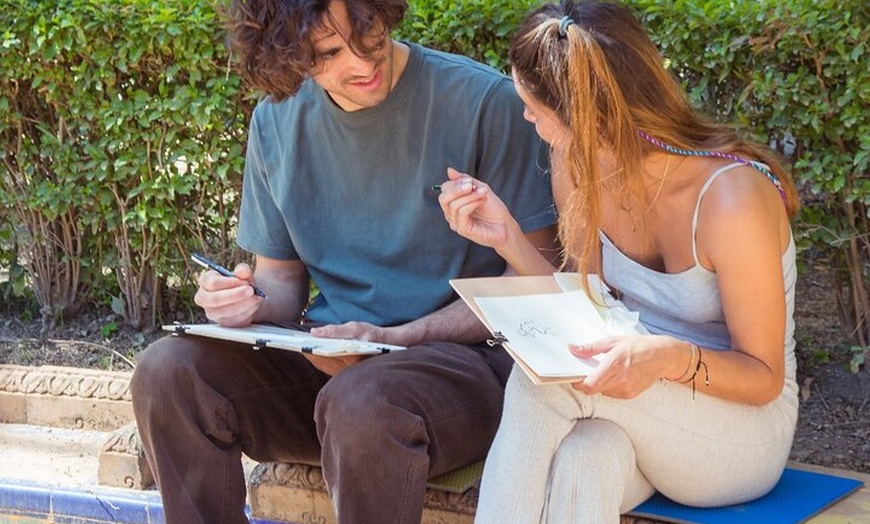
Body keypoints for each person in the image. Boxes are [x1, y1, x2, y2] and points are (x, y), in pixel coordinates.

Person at [130, 1, 559, 523]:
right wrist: (246, 303)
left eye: (367, 31)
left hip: (463, 368)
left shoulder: (483, 101)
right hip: (330, 365)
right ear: (284, 54)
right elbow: (281, 281)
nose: (361, 62)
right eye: (330, 52)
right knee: (167, 371)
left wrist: (396, 340)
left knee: (362, 401)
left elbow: (534, 284)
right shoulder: (275, 121)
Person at [437, 1, 801, 522]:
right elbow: (587, 312)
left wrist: (665, 358)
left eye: (534, 107)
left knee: (538, 384)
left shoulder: (730, 200)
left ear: (584, 116)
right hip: (640, 410)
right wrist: (508, 239)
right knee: (590, 457)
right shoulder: (577, 164)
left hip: (740, 433)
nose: (526, 117)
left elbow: (763, 377)